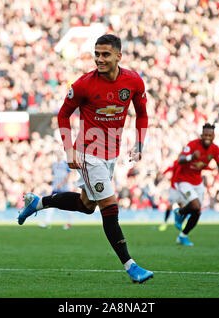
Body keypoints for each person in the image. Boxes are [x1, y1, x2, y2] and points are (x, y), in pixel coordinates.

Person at [18, 34, 153, 283]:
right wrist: (69, 150)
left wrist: (140, 142)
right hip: (88, 153)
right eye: (97, 54)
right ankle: (131, 266)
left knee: (86, 206)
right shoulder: (83, 84)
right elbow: (62, 115)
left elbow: (142, 114)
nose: (99, 59)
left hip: (111, 154)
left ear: (118, 56)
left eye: (105, 54)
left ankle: (38, 203)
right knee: (110, 207)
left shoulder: (133, 81)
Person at [173, 123, 219, 246]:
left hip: (197, 182)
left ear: (213, 136)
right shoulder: (192, 145)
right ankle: (179, 212)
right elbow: (180, 159)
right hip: (183, 180)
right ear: (201, 135)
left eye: (210, 135)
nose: (207, 137)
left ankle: (182, 236)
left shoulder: (215, 149)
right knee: (196, 205)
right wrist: (191, 157)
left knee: (197, 212)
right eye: (205, 135)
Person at [39, 153, 73, 229]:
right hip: (55, 188)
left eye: (59, 154)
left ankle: (69, 222)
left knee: (67, 205)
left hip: (64, 188)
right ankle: (47, 222)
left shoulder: (66, 164)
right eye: (57, 154)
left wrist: (61, 184)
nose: (58, 155)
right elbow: (53, 175)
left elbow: (69, 174)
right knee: (50, 204)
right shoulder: (54, 164)